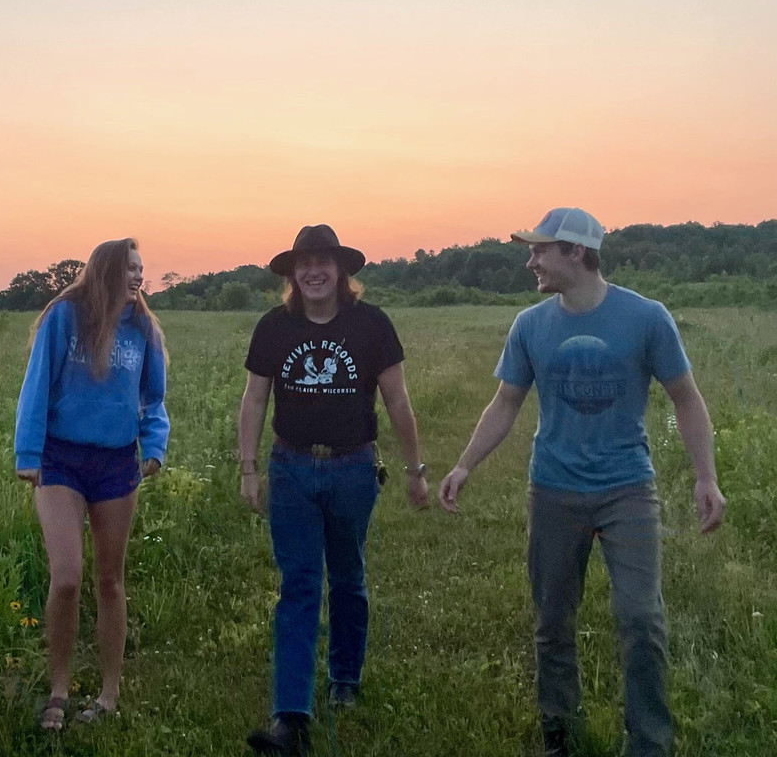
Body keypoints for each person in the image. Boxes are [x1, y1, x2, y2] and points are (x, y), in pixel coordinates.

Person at [438, 208, 726, 757]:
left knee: (641, 619)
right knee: (552, 621)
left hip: (627, 490)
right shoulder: (530, 325)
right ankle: (560, 734)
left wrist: (705, 477)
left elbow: (686, 398)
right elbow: (506, 402)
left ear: (576, 252)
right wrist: (463, 465)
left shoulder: (646, 318)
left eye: (539, 251)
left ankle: (648, 743)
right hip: (553, 489)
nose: (530, 262)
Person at [239, 224, 430, 755]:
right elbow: (255, 400)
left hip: (352, 469)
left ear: (341, 271)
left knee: (347, 575)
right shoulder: (274, 328)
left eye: (324, 261)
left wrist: (415, 470)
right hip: (292, 468)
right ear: (292, 274)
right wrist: (249, 469)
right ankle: (290, 718)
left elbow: (396, 401)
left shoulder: (371, 325)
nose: (314, 271)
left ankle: (344, 678)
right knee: (299, 584)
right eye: (305, 263)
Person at [14, 238, 169, 732]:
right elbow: (36, 384)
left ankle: (107, 695)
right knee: (66, 578)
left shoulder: (142, 328)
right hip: (61, 460)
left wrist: (154, 445)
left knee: (110, 581)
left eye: (141, 268)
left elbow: (152, 397)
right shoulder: (64, 318)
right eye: (129, 268)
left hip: (117, 464)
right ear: (104, 271)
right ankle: (57, 690)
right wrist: (28, 452)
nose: (138, 277)